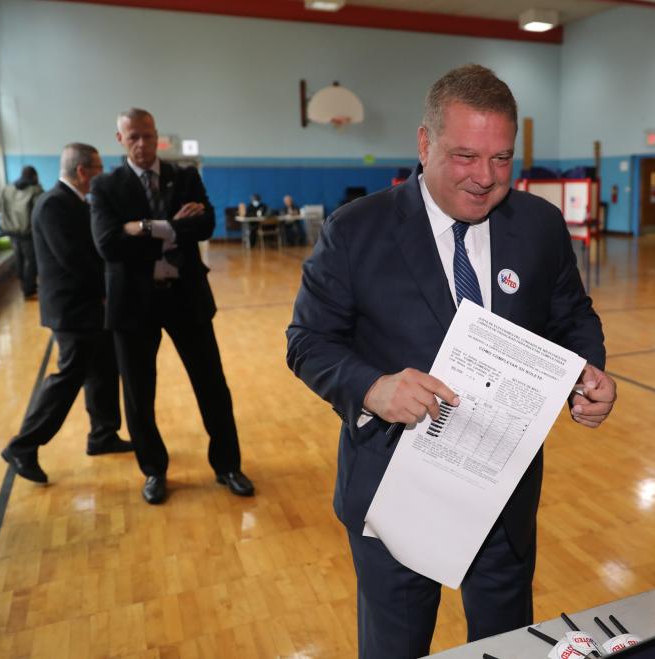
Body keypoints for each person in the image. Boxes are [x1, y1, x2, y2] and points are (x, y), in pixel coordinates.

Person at [286, 64, 616, 658]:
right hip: (394, 490)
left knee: (507, 645)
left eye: (500, 159)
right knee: (397, 647)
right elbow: (308, 342)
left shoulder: (538, 225)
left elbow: (571, 315)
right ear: (423, 143)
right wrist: (373, 387)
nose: (485, 178)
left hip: (502, 487)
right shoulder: (356, 231)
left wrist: (587, 372)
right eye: (465, 156)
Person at [90, 108, 253, 504]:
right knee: (139, 395)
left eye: (148, 136)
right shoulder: (106, 186)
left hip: (186, 297)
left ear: (157, 135)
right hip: (133, 304)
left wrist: (143, 227)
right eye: (134, 138)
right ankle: (154, 470)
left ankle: (228, 465)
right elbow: (109, 244)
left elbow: (207, 224)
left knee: (212, 385)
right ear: (120, 139)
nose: (142, 144)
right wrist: (173, 228)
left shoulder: (185, 176)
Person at [0, 144, 132, 483]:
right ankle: (23, 446)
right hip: (73, 309)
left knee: (104, 368)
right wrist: (106, 290)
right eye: (99, 168)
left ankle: (102, 435)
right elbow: (73, 259)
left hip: (89, 306)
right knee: (69, 376)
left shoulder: (75, 201)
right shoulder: (54, 204)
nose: (102, 174)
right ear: (83, 170)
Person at [0, 166, 44, 299]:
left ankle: (23, 285)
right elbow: (40, 210)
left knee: (19, 258)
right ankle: (29, 289)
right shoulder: (35, 190)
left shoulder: (6, 189)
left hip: (11, 232)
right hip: (28, 232)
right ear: (34, 176)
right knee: (31, 260)